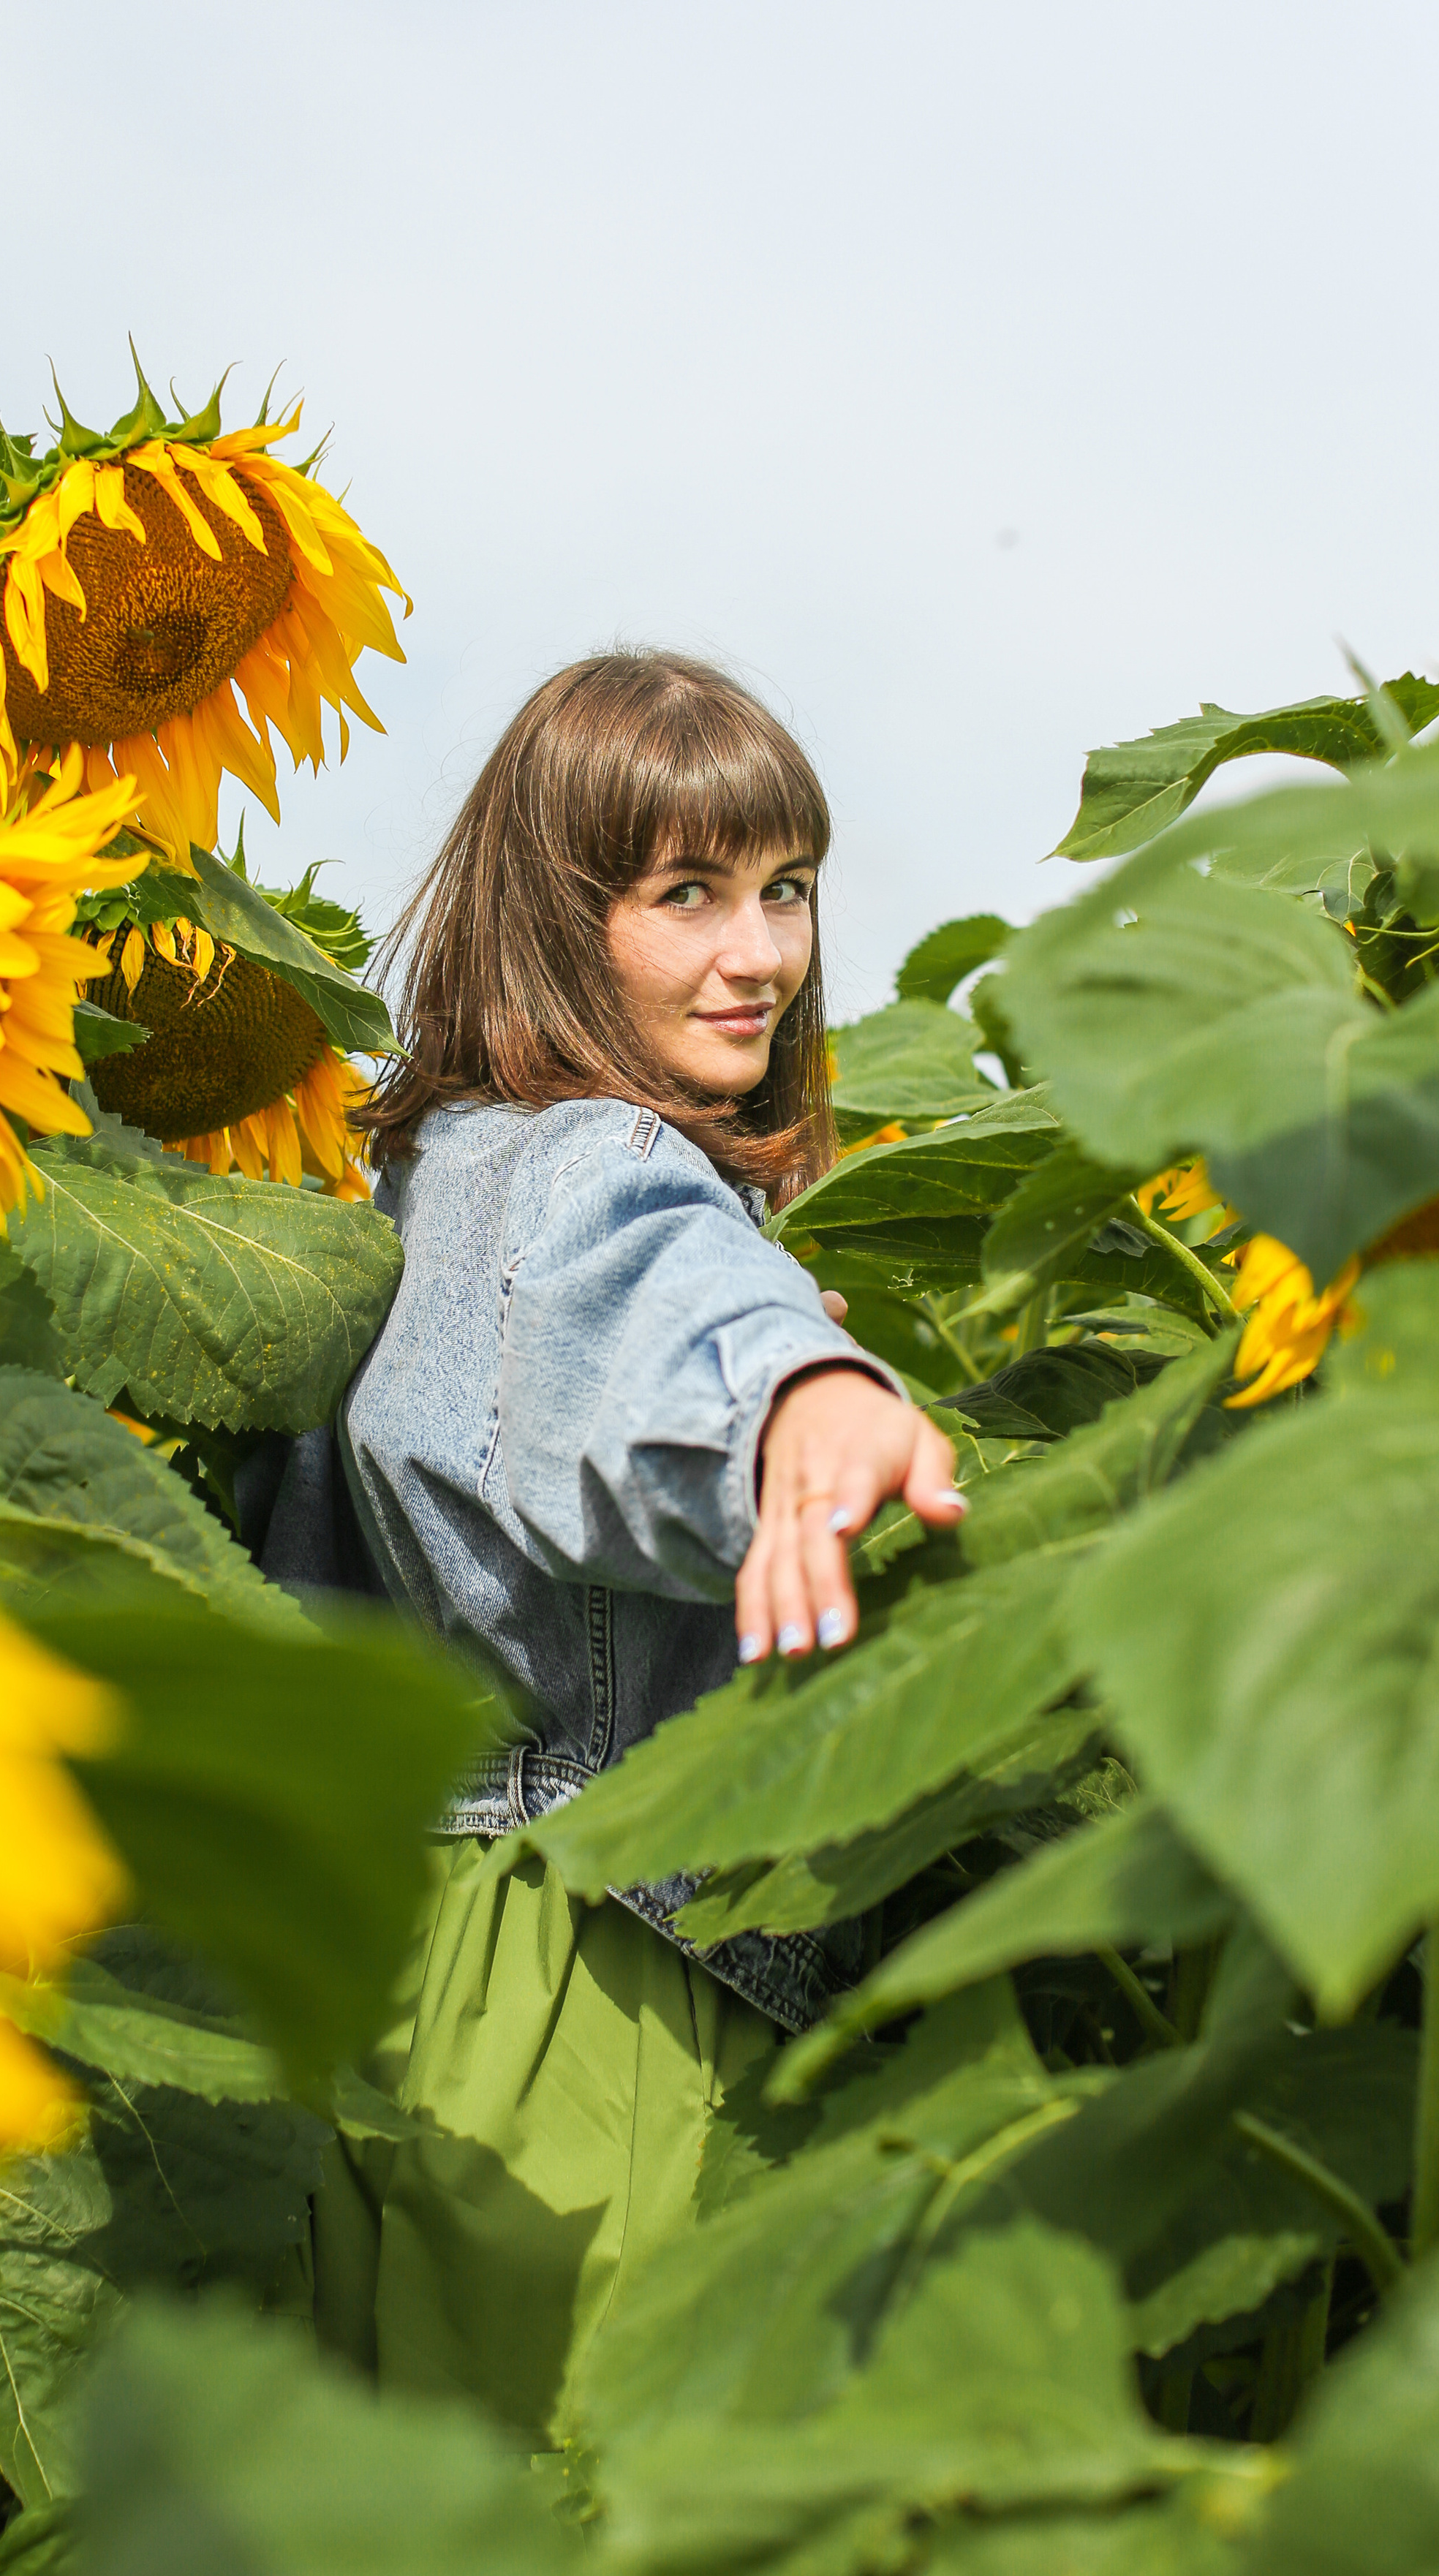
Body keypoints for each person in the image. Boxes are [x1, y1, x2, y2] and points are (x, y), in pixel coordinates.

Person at [309, 651, 964, 2443]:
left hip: (415, 1979)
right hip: (605, 1977)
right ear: (553, 921)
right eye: (683, 896)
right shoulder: (594, 1161)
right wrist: (802, 1396)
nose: (759, 956)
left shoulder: (420, 1174)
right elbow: (656, 1324)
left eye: (785, 889)